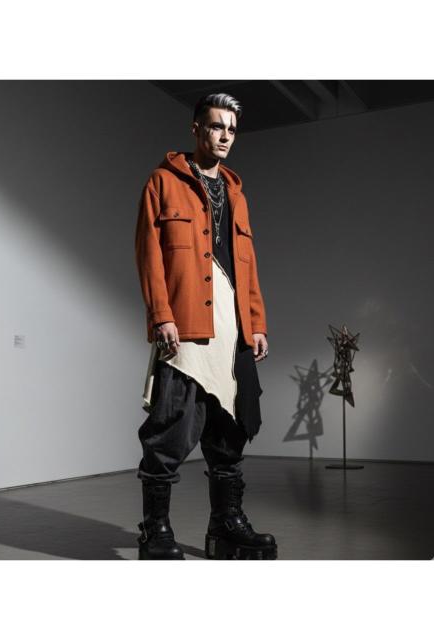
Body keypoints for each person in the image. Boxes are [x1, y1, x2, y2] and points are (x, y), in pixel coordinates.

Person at [134, 93, 277, 560]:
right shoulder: (162, 182)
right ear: (196, 128)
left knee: (229, 432)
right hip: (186, 324)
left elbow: (247, 264)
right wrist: (162, 315)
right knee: (170, 429)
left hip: (233, 329)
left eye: (232, 130)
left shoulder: (237, 193)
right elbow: (149, 255)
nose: (225, 137)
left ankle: (226, 526)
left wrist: (256, 322)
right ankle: (155, 530)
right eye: (217, 126)